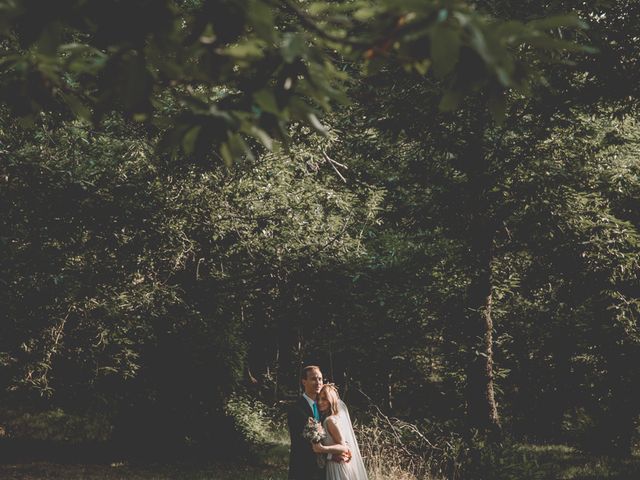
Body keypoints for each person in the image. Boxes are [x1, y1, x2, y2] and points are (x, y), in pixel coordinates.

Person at [312, 383, 369, 480]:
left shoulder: (329, 420)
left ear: (331, 400)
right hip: (335, 463)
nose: (320, 402)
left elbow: (343, 447)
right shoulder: (333, 418)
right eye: (318, 399)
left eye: (324, 399)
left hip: (337, 466)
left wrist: (321, 448)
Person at [287, 365, 325, 480]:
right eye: (313, 379)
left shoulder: (324, 406)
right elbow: (300, 441)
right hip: (303, 467)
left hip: (324, 468)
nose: (318, 382)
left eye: (320, 379)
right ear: (304, 381)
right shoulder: (296, 408)